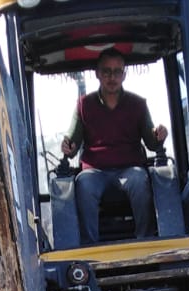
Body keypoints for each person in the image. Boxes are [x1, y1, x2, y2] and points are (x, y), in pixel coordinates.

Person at [60, 49, 168, 244]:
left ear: (124, 75)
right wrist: (68, 146)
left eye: (117, 72)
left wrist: (159, 135)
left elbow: (152, 142)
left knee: (140, 180)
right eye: (107, 72)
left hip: (129, 168)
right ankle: (89, 246)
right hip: (95, 171)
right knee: (83, 185)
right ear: (97, 74)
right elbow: (73, 140)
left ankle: (146, 240)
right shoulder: (84, 105)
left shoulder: (138, 104)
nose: (112, 77)